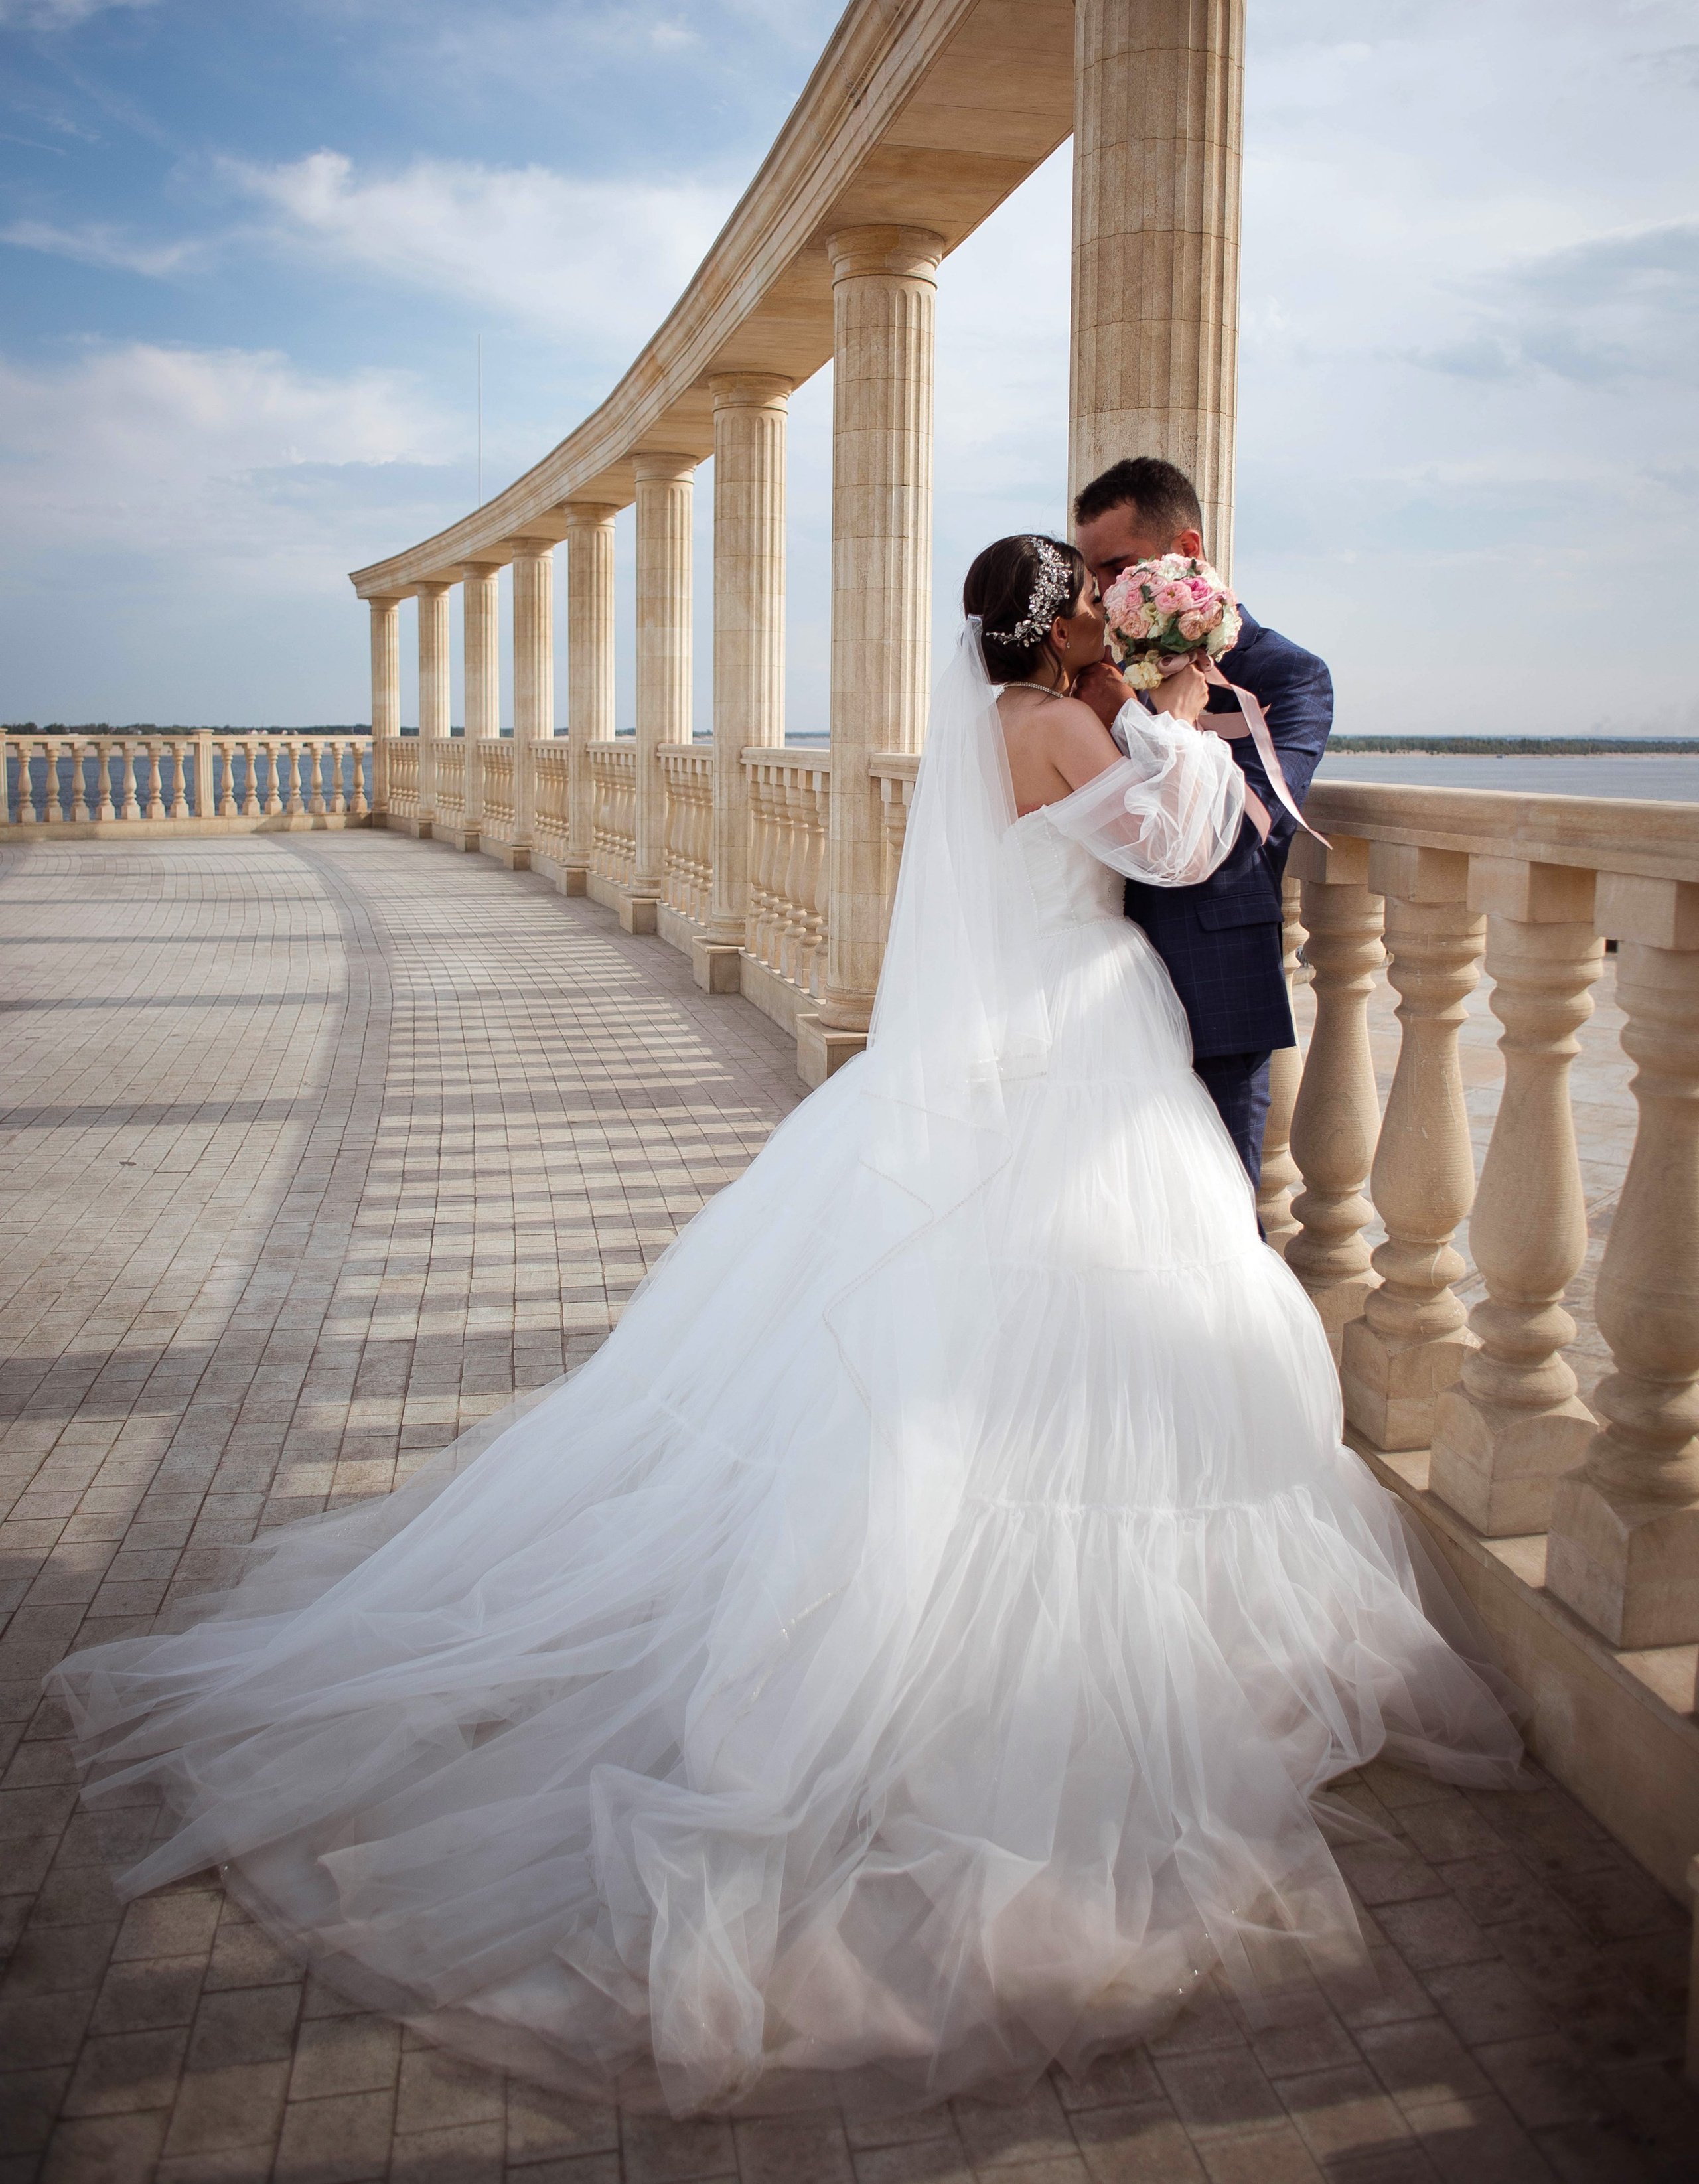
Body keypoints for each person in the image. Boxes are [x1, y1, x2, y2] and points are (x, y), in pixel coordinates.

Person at [50, 536, 1519, 2122]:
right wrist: (1175, 701)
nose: (1107, 613)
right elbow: (1172, 849)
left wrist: (1151, 692)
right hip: (1077, 1045)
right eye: (1091, 602)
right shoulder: (1061, 724)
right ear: (1056, 625)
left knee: (1002, 1329)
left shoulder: (995, 727)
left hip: (1017, 1040)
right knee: (1086, 1320)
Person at [1072, 457, 1333, 1193]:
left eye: (1116, 566)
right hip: (1098, 980)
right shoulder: (1095, 664)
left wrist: (1133, 716)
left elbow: (1249, 825)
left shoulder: (1289, 674)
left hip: (1212, 979)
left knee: (1218, 1209)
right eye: (1093, 576)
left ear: (1185, 551)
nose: (1102, 592)